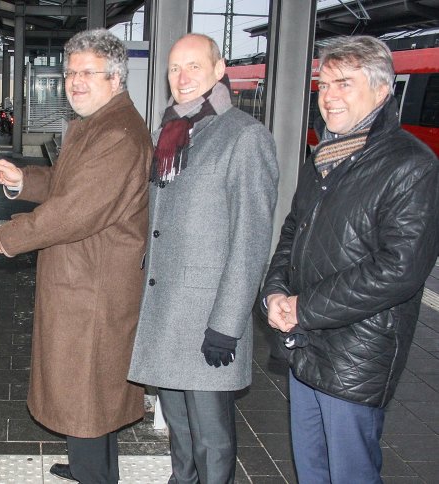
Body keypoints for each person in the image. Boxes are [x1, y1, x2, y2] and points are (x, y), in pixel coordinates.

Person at [262, 35, 439, 484]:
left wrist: (304, 307)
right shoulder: (324, 158)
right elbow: (292, 233)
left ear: (382, 91)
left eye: (345, 83)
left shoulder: (410, 164)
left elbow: (399, 269)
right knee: (312, 469)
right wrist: (276, 292)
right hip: (305, 343)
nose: (330, 96)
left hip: (357, 352)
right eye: (325, 85)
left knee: (350, 473)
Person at [0, 29, 151, 483]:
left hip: (91, 288)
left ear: (116, 78)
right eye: (70, 72)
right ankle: (91, 466)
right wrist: (22, 181)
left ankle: (93, 474)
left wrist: (7, 236)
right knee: (93, 389)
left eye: (87, 73)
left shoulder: (116, 133)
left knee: (86, 386)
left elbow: (74, 212)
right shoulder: (98, 123)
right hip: (84, 278)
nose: (74, 81)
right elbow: (67, 185)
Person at [127, 33, 278, 484]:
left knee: (212, 440)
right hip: (167, 314)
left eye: (195, 66)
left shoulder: (245, 137)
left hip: (208, 319)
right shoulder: (170, 131)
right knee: (181, 433)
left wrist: (227, 325)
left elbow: (251, 240)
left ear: (219, 69)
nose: (183, 77)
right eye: (175, 68)